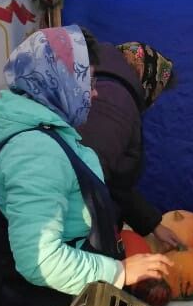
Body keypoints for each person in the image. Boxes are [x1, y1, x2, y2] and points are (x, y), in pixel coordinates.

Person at [0, 25, 171, 306]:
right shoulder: (35, 152)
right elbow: (42, 261)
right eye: (86, 80)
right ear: (58, 81)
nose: (94, 92)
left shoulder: (46, 132)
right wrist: (120, 272)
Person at [77, 40, 180, 249]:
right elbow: (91, 173)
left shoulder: (107, 86)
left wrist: (152, 223)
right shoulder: (115, 100)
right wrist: (99, 247)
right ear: (148, 82)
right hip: (80, 233)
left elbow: (112, 177)